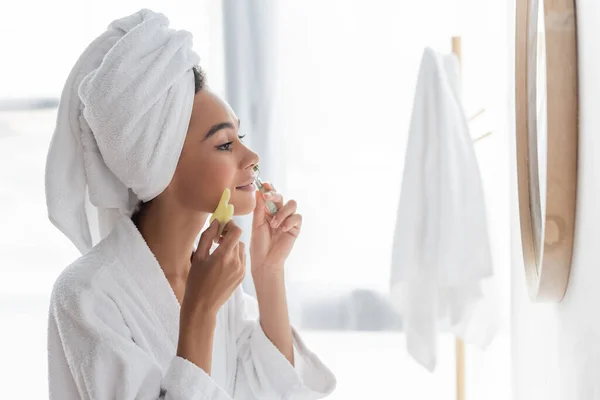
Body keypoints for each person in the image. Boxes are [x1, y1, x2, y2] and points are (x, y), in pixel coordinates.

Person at [44, 9, 336, 399]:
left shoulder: (217, 281)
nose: (251, 157)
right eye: (225, 144)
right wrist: (198, 313)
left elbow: (273, 393)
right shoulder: (86, 295)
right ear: (162, 164)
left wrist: (268, 274)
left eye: (241, 136)